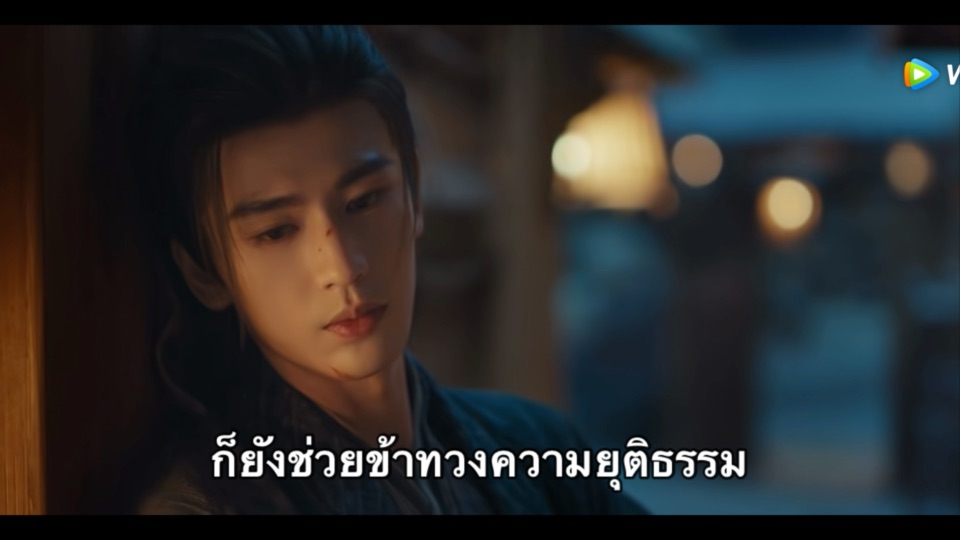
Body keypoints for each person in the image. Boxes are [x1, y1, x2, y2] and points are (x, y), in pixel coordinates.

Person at [128, 25, 649, 515]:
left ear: (414, 193)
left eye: (363, 201)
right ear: (205, 273)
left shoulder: (538, 446)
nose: (343, 266)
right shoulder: (208, 503)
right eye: (276, 231)